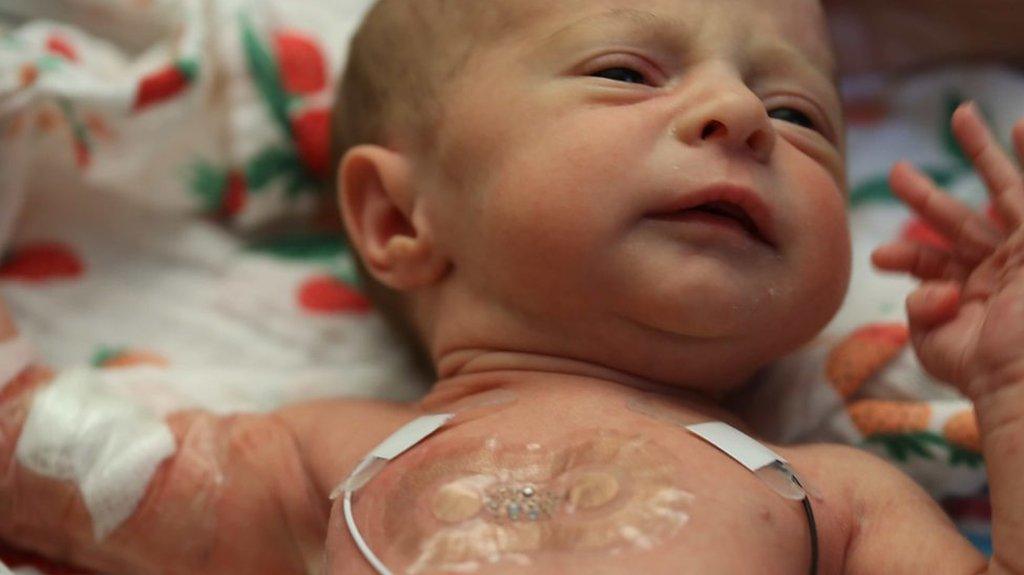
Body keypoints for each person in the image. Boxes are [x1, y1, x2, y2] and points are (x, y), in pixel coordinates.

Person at [2, 0, 1024, 573]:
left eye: (799, 113)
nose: (737, 114)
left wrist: (1013, 392)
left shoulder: (836, 494)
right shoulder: (320, 462)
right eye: (626, 73)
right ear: (402, 220)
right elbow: (36, 456)